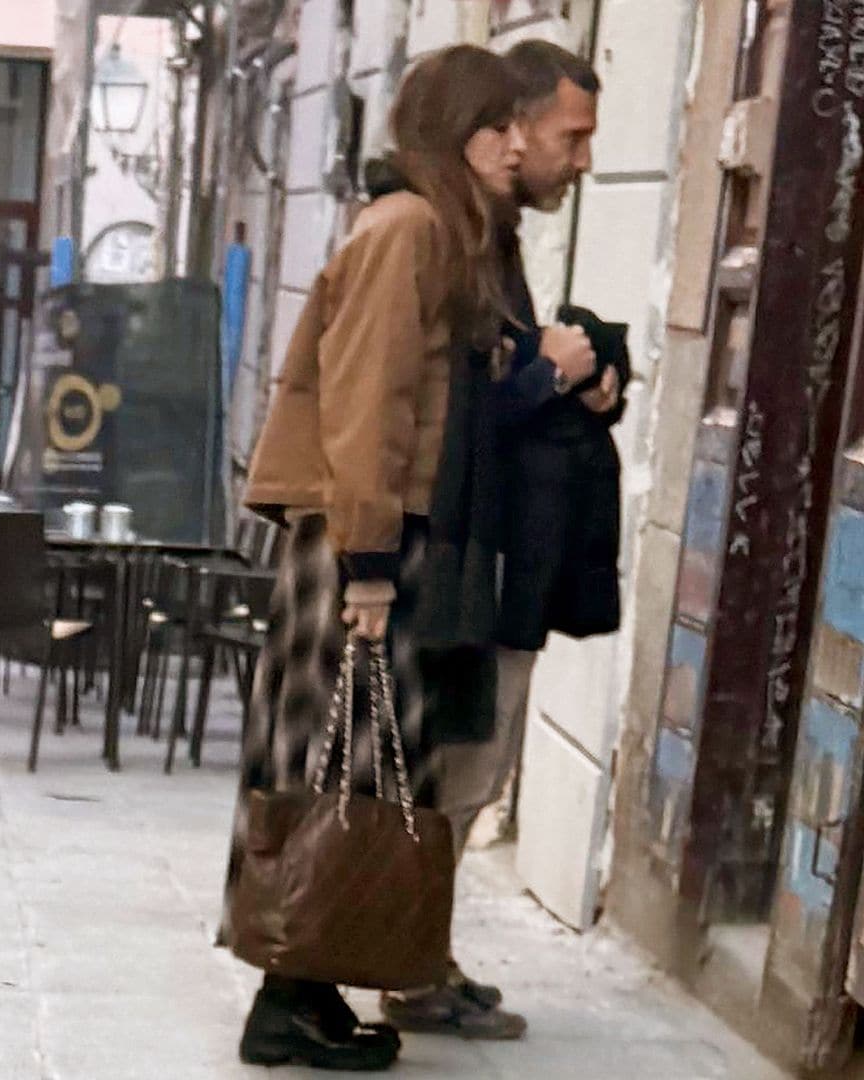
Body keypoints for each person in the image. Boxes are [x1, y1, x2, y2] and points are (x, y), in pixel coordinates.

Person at [219, 45, 527, 1072]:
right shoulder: (408, 230)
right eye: (499, 127)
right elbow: (368, 407)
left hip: (382, 536)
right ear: (453, 136)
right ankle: (286, 994)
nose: (517, 144)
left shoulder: (442, 231)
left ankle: (306, 985)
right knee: (332, 762)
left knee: (349, 759)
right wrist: (368, 566)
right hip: (361, 538)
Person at [382, 40, 626, 1041]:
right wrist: (541, 375)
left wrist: (581, 374)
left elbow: (494, 389)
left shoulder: (489, 235)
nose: (580, 161)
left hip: (501, 567)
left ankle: (420, 954)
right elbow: (447, 412)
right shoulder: (434, 235)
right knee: (455, 769)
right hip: (461, 567)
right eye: (569, 137)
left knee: (473, 769)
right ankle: (404, 965)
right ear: (507, 130)